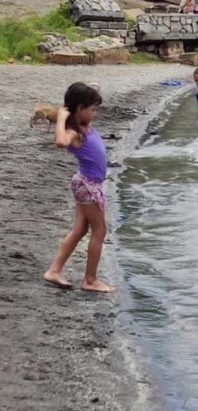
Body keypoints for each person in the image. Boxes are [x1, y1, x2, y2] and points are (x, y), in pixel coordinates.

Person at [43, 83, 113, 293]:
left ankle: (54, 271)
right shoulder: (73, 131)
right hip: (88, 186)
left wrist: (92, 90)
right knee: (100, 230)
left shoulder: (84, 127)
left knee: (80, 229)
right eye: (92, 109)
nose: (95, 113)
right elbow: (60, 142)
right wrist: (62, 119)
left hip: (86, 184)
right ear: (80, 108)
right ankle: (90, 280)